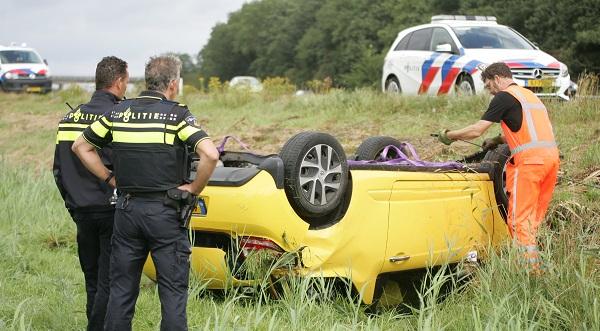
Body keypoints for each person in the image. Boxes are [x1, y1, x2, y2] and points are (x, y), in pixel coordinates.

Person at [72, 55, 219, 331]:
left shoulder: (119, 112)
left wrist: (109, 177)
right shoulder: (177, 115)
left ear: (147, 81)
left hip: (126, 212)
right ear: (173, 84)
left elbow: (80, 146)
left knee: (121, 293)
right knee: (172, 295)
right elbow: (210, 154)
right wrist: (193, 189)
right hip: (166, 213)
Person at [436, 62, 559, 272]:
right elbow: (527, 130)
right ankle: (539, 266)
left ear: (497, 78)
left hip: (529, 164)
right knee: (533, 220)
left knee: (519, 221)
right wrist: (499, 139)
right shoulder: (529, 96)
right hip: (551, 160)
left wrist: (450, 136)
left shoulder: (503, 96)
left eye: (488, 86)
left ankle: (531, 275)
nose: (489, 91)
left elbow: (476, 130)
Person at [53, 56, 129, 330]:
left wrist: (72, 203)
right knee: (110, 279)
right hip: (111, 208)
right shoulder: (118, 118)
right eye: (126, 82)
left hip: (80, 211)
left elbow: (58, 171)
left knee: (92, 279)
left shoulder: (68, 119)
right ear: (119, 82)